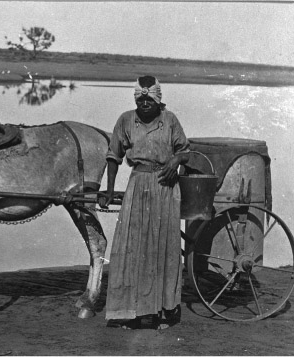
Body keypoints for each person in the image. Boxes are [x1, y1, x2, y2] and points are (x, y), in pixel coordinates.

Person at [99, 76, 190, 330]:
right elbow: (113, 156)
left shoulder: (169, 120)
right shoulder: (126, 120)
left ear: (158, 100)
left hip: (165, 185)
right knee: (133, 246)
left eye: (150, 99)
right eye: (141, 98)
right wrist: (108, 191)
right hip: (138, 185)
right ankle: (134, 310)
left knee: (165, 246)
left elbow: (185, 149)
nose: (145, 103)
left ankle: (166, 309)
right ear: (136, 99)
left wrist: (175, 162)